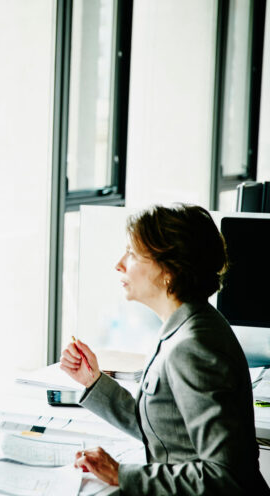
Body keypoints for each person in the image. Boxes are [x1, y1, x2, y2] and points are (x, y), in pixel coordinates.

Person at [60, 204, 269, 494]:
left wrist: (123, 475)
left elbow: (226, 477)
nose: (119, 264)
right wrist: (92, 381)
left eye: (132, 253)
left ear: (168, 270)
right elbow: (164, 426)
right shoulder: (185, 324)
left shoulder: (193, 346)